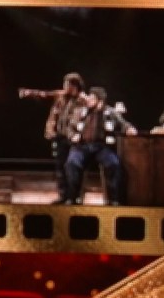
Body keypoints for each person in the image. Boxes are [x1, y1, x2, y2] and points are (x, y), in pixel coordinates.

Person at [19, 72, 87, 204]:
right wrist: (29, 93)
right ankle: (63, 196)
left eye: (67, 84)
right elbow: (44, 94)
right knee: (60, 167)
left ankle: (75, 197)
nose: (65, 87)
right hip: (60, 137)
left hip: (75, 139)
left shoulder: (83, 100)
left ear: (74, 86)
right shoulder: (61, 96)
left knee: (73, 167)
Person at [64, 86, 137, 205]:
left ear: (100, 101)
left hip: (102, 147)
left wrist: (129, 129)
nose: (88, 100)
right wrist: (73, 136)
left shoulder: (110, 112)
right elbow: (70, 128)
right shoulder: (81, 111)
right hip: (82, 146)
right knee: (72, 163)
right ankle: (72, 198)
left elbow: (123, 124)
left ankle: (114, 199)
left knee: (114, 164)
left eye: (92, 98)